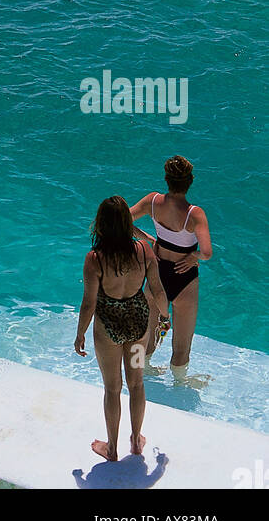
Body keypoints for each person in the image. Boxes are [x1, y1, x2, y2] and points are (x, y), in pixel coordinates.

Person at [75, 196, 170, 460]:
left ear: (101, 225)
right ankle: (136, 441)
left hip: (108, 328)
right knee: (137, 384)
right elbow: (158, 290)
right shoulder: (143, 251)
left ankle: (113, 448)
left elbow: (89, 303)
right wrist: (164, 317)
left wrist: (80, 333)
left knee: (113, 388)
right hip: (139, 324)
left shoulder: (95, 259)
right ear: (128, 223)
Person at [129, 156, 212, 377]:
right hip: (184, 279)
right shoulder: (195, 214)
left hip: (157, 274)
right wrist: (193, 256)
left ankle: (140, 373)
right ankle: (180, 383)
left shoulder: (153, 201)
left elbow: (122, 220)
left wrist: (146, 237)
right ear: (190, 181)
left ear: (167, 179)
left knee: (147, 334)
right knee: (181, 346)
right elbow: (206, 252)